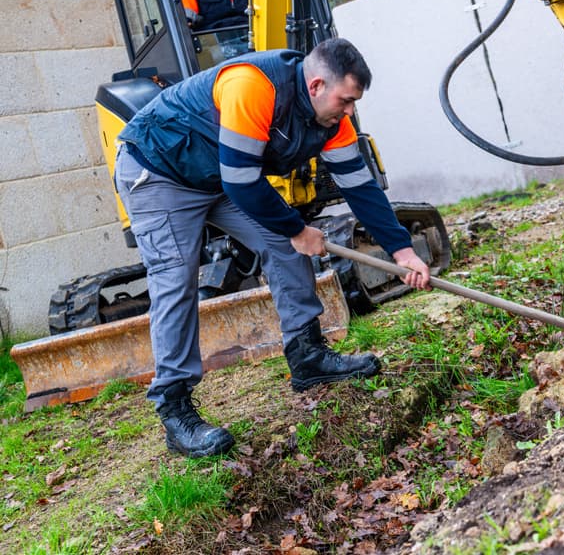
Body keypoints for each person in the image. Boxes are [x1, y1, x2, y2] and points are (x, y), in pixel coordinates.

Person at [114, 38, 431, 458]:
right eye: (346, 99)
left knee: (284, 244)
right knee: (177, 277)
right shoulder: (253, 85)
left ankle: (307, 356)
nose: (350, 110)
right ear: (316, 85)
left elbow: (360, 186)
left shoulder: (333, 121)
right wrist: (298, 229)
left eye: (354, 102)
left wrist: (402, 251)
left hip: (218, 175)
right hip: (159, 172)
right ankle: (175, 410)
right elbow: (242, 182)